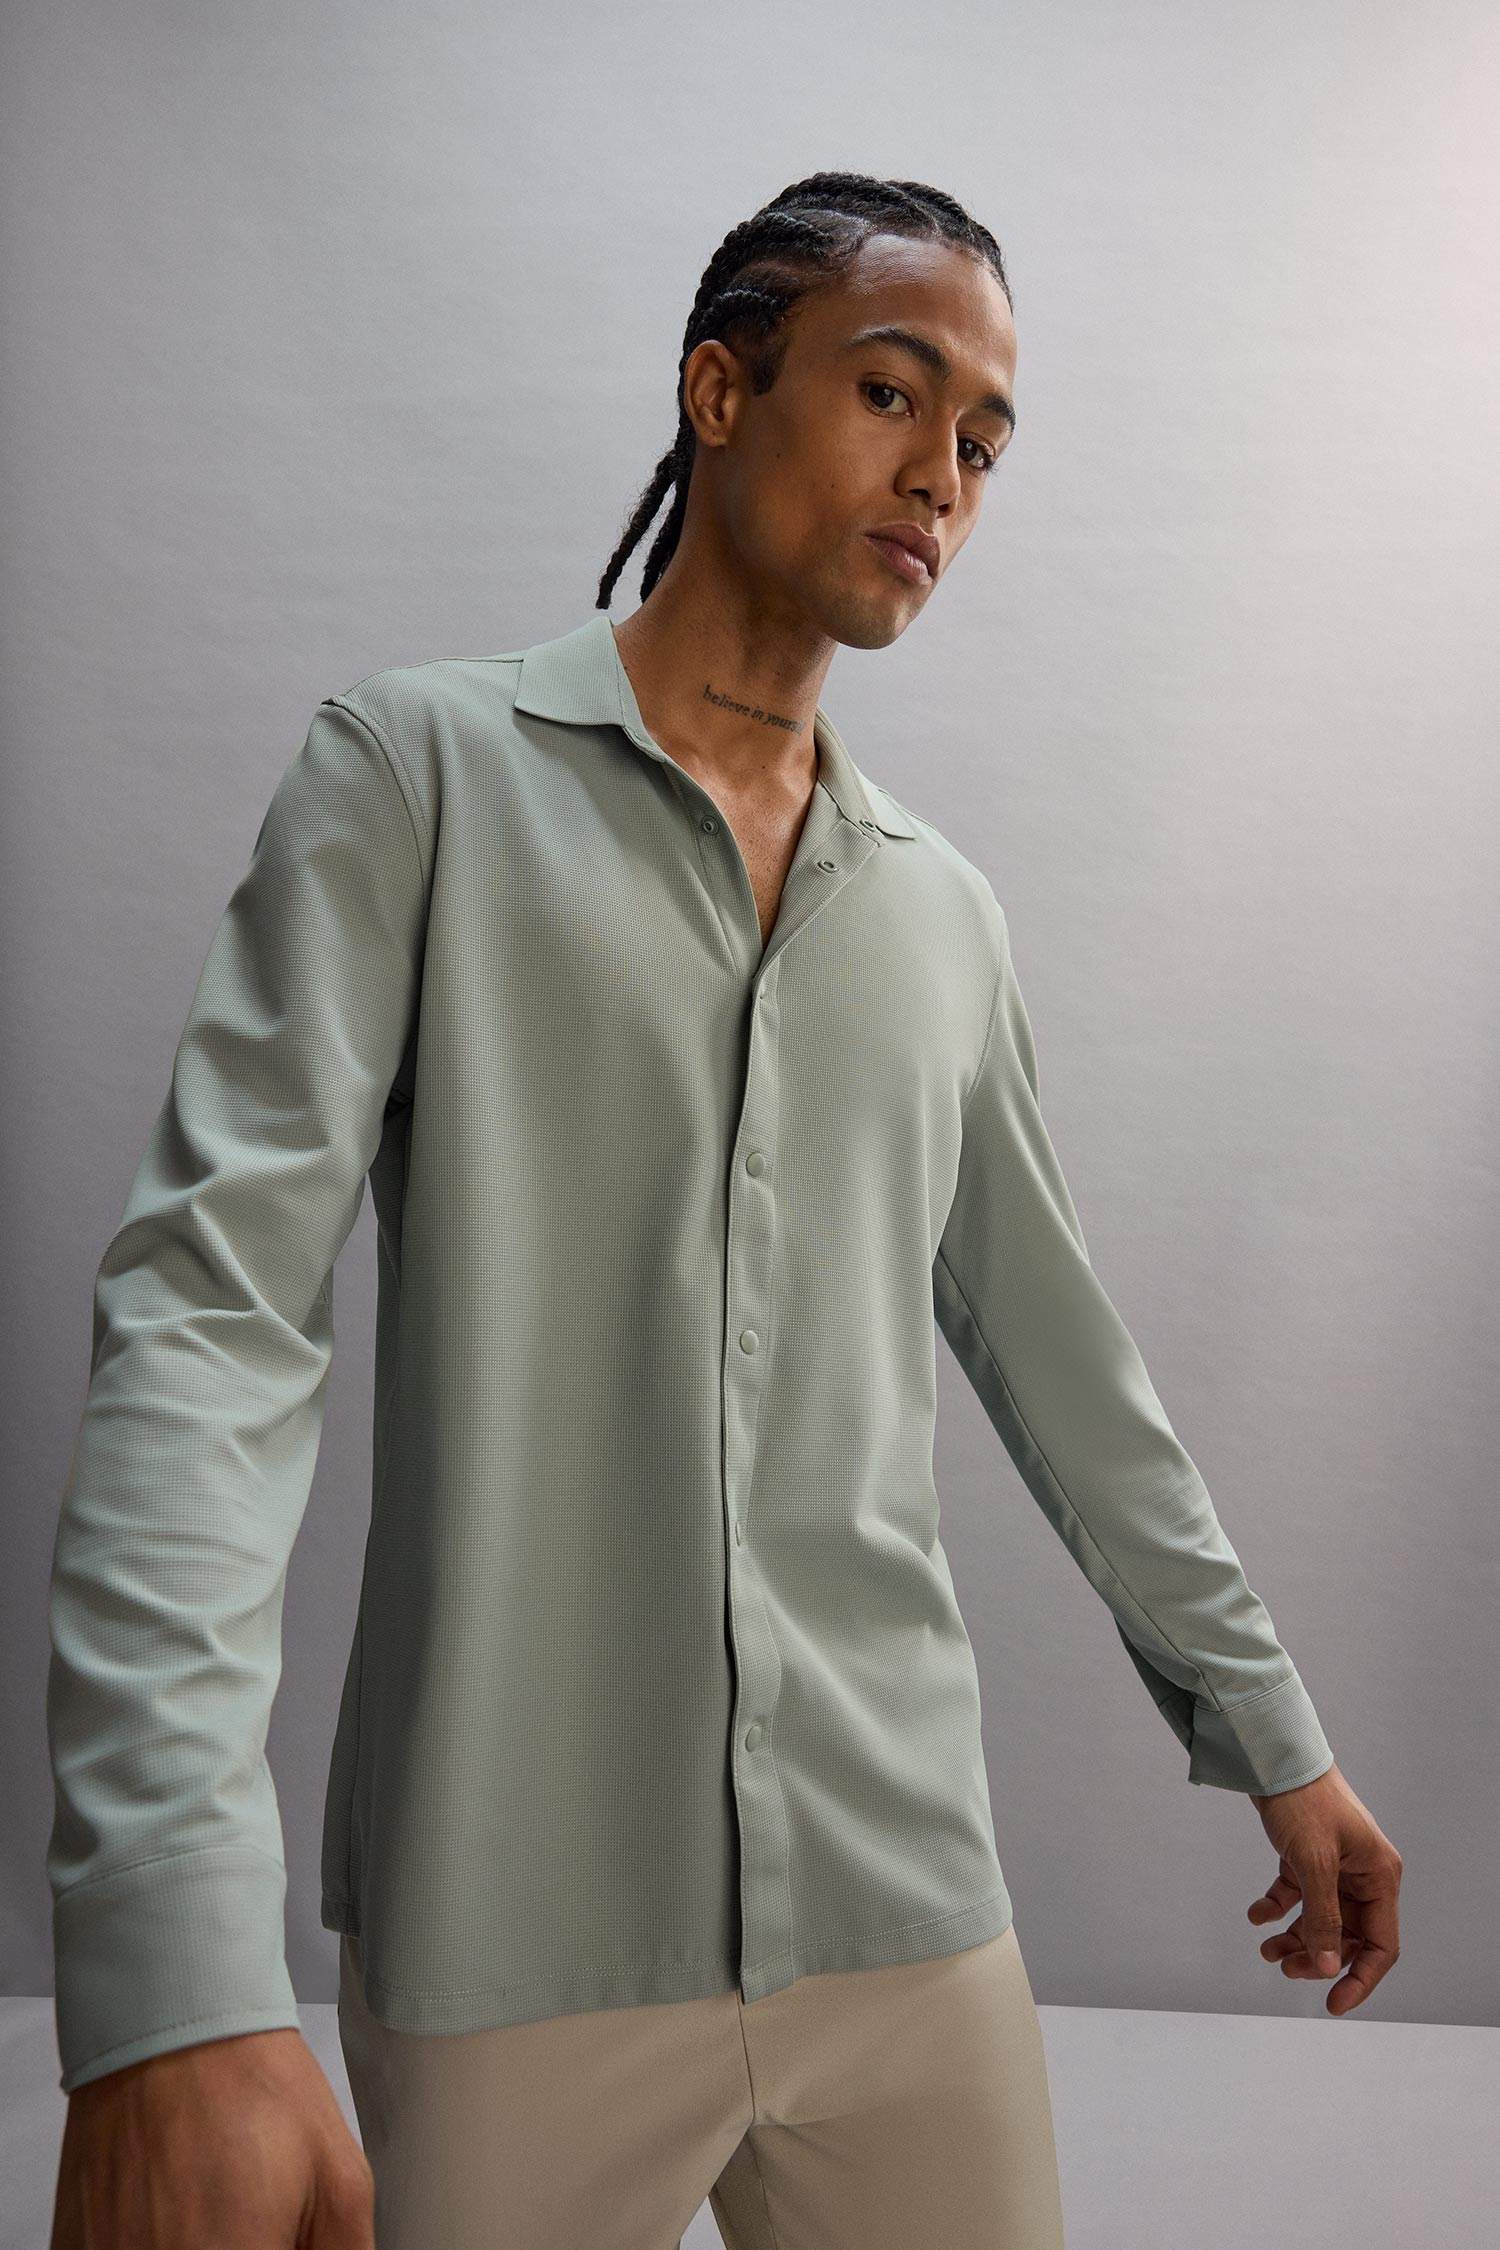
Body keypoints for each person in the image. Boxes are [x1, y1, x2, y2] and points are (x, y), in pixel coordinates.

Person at [46, 169, 1402, 2249]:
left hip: (903, 1913)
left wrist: (1277, 1737)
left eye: (985, 442)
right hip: (515, 1937)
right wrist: (169, 1960)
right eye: (892, 391)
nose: (941, 475)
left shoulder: (940, 916)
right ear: (717, 388)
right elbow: (210, 1329)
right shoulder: (415, 778)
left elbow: (1072, 1378)